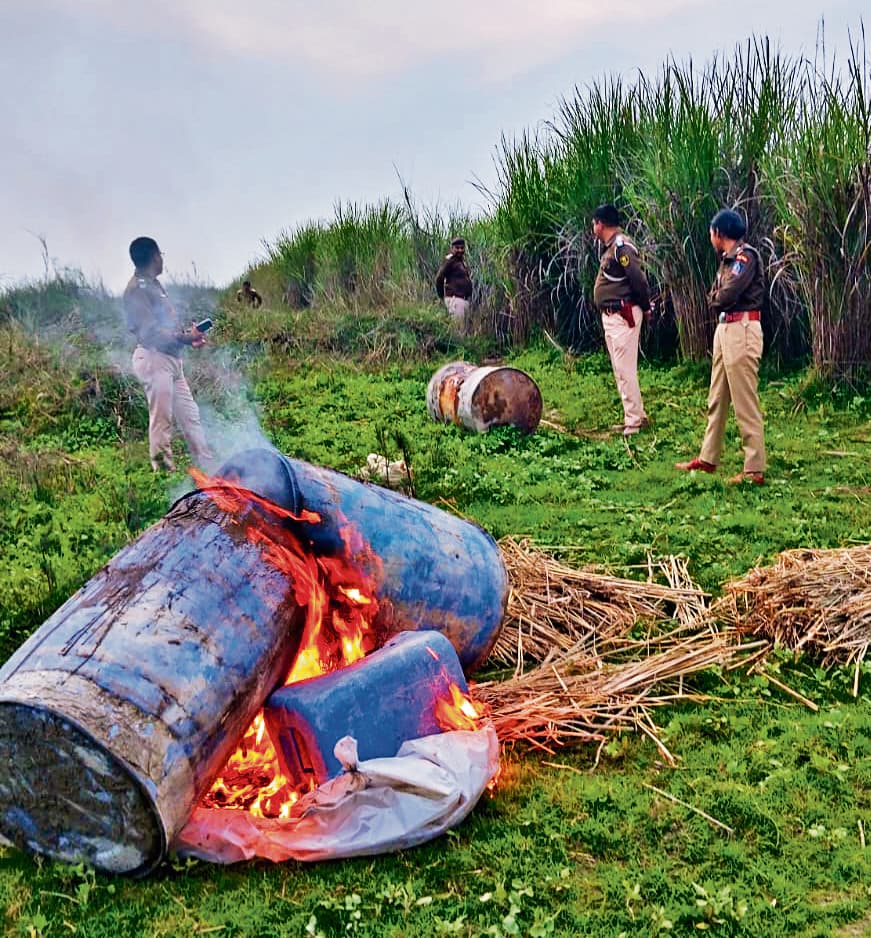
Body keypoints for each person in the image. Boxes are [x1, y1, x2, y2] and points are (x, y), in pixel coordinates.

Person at [675, 208, 766, 485]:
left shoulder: (744, 257)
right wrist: (717, 299)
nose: (710, 237)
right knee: (717, 398)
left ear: (719, 233)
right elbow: (718, 296)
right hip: (726, 329)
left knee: (744, 401)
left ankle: (754, 468)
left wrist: (716, 298)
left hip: (742, 329)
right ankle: (708, 458)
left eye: (711, 232)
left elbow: (726, 294)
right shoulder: (728, 260)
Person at [123, 236, 213, 472]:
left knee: (191, 417)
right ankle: (164, 477)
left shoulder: (153, 285)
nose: (162, 259)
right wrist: (186, 337)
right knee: (162, 421)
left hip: (171, 361)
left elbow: (166, 329)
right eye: (160, 254)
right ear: (154, 256)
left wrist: (188, 337)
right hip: (154, 359)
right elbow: (151, 333)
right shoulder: (136, 290)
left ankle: (210, 472)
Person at [591, 204, 652, 435]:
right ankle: (634, 415)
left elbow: (638, 280)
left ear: (601, 223)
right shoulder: (610, 248)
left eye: (594, 222)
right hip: (612, 316)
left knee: (625, 370)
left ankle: (634, 421)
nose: (593, 227)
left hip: (623, 315)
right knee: (620, 369)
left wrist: (645, 308)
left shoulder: (621, 247)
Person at [435, 237, 473, 328]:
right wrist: (442, 296)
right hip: (455, 300)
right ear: (452, 248)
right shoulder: (450, 261)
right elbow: (439, 278)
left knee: (462, 330)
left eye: (462, 248)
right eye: (457, 248)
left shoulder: (461, 262)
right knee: (458, 330)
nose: (460, 250)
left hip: (462, 300)